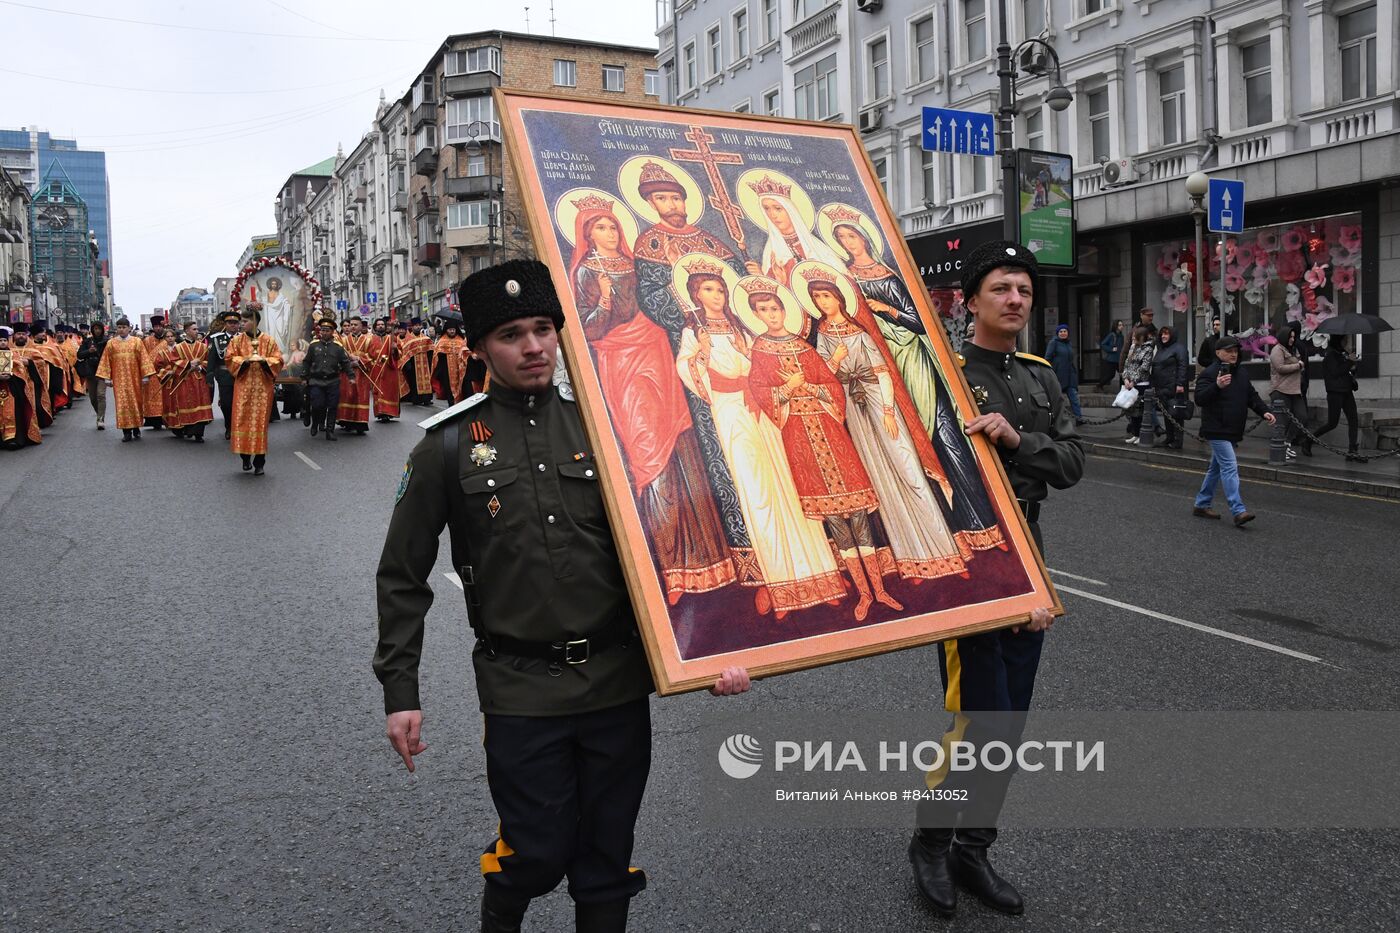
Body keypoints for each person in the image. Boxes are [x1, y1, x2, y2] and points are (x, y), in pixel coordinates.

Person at [373, 259, 750, 933]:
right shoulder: (448, 447)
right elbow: (403, 575)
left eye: (544, 328)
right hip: (521, 689)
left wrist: (709, 649)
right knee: (538, 851)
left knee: (606, 859)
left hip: (616, 683)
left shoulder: (603, 427)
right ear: (481, 347)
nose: (534, 345)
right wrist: (400, 690)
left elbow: (670, 546)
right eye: (513, 333)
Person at [908, 241, 1081, 919]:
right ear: (971, 300)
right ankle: (931, 840)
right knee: (976, 717)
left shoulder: (1040, 377)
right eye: (1002, 288)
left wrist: (1017, 441)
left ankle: (973, 847)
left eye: (1025, 291)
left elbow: (1069, 463)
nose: (1016, 300)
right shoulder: (941, 374)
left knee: (1010, 722)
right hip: (965, 559)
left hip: (1028, 557)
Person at [1192, 335, 1276, 525]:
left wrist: (1265, 412)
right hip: (1216, 428)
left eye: (1236, 351)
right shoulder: (1209, 373)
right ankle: (1238, 510)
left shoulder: (1242, 373)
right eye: (1229, 351)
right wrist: (1217, 386)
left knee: (1216, 468)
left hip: (1232, 428)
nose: (1233, 354)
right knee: (1230, 466)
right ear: (1218, 353)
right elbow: (1200, 398)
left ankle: (1202, 504)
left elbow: (1251, 396)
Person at [227, 304, 284, 474]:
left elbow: (278, 359)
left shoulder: (268, 340)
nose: (241, 324)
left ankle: (260, 462)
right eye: (241, 321)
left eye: (244, 321)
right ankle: (245, 457)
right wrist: (243, 361)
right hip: (243, 387)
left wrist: (264, 361)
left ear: (254, 321)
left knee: (260, 424)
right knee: (242, 421)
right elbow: (229, 358)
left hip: (263, 388)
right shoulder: (236, 340)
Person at [94, 317, 156, 442]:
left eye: (124, 327)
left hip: (135, 378)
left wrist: (145, 376)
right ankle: (126, 431)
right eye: (119, 328)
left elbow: (143, 359)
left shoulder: (136, 342)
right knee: (122, 405)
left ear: (129, 328)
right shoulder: (111, 343)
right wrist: (107, 378)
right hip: (119, 380)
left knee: (136, 403)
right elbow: (106, 361)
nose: (121, 330)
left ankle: (136, 427)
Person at [303, 317, 355, 440]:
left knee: (332, 406)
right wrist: (304, 377)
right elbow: (306, 362)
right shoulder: (313, 345)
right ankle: (315, 423)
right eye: (322, 330)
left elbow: (345, 362)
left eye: (327, 330)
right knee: (317, 405)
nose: (324, 333)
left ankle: (330, 431)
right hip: (316, 380)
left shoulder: (338, 347)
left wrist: (351, 376)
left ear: (332, 332)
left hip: (333, 380)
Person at [1315, 334, 1361, 462]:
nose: (1346, 342)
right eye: (1345, 340)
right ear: (1338, 341)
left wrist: (1353, 366)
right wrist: (1349, 362)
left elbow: (1347, 371)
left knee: (1353, 420)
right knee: (1332, 423)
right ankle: (1308, 440)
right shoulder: (1330, 355)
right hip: (1335, 393)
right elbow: (1336, 372)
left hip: (1346, 391)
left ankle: (1352, 450)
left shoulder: (1342, 353)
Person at [0, 326, 44, 448]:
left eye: (4, 340)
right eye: (0, 341)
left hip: (11, 389)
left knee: (13, 413)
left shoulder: (13, 354)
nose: (3, 343)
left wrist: (11, 375)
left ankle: (13, 438)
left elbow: (20, 371)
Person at [1269, 325, 1308, 459]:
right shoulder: (1277, 350)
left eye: (1293, 337)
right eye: (1290, 337)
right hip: (1281, 389)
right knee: (1282, 422)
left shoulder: (1293, 350)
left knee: (1302, 416)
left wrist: (1299, 367)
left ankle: (1287, 443)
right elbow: (1280, 368)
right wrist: (1299, 365)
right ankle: (1279, 448)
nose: (1292, 339)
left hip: (1294, 390)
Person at [1150, 325, 1189, 449]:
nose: (1163, 336)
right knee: (1167, 413)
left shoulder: (1179, 348)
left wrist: (1180, 384)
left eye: (1166, 334)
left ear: (1172, 334)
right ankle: (1169, 437)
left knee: (1176, 413)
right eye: (1162, 334)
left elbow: (1183, 366)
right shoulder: (1161, 349)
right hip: (1161, 387)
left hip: (1174, 387)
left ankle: (1178, 440)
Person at [336, 316, 373, 434]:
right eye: (351, 324)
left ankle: (360, 423)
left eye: (355, 325)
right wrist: (350, 361)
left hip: (362, 373)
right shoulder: (344, 341)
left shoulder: (368, 340)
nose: (352, 327)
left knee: (361, 397)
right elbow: (340, 356)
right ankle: (347, 421)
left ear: (361, 326)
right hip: (348, 372)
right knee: (348, 395)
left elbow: (372, 356)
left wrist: (360, 360)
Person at [208, 311, 241, 439]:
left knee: (241, 404)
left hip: (242, 375)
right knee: (227, 404)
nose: (233, 325)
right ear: (225, 324)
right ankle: (229, 426)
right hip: (225, 375)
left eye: (235, 323)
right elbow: (212, 358)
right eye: (230, 323)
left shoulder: (245, 338)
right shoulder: (217, 339)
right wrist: (210, 375)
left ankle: (239, 427)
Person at [1120, 324, 1156, 444]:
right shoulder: (1132, 347)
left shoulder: (1148, 349)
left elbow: (1144, 367)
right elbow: (1127, 364)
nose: (1133, 338)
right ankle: (1135, 434)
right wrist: (1125, 378)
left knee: (1140, 411)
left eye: (1136, 336)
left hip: (1141, 383)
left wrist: (1134, 381)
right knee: (1132, 411)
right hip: (1130, 383)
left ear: (1142, 337)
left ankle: (1141, 434)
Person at [1043, 324, 1083, 424]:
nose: (1063, 333)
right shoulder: (1053, 343)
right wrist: (1050, 371)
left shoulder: (1068, 343)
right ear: (1057, 333)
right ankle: (1055, 420)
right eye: (1061, 332)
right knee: (1057, 399)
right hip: (1058, 376)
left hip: (1070, 376)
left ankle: (1079, 418)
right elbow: (1047, 358)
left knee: (1074, 397)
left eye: (1065, 331)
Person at [366, 317, 402, 422]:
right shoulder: (370, 339)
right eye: (378, 324)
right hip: (376, 368)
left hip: (390, 369)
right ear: (375, 327)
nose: (380, 326)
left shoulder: (392, 338)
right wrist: (372, 363)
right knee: (378, 391)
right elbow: (367, 354)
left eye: (382, 324)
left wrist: (395, 350)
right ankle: (380, 412)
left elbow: (400, 353)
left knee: (389, 391)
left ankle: (389, 412)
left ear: (385, 326)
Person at [76, 321, 110, 430]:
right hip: (90, 372)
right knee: (93, 398)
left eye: (99, 329)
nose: (97, 331)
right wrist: (89, 351)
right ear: (93, 330)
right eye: (95, 329)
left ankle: (100, 419)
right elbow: (79, 354)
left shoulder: (107, 342)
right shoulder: (87, 341)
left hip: (102, 372)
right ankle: (99, 413)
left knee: (101, 395)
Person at [398, 318, 434, 406]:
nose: (417, 327)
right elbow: (405, 353)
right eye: (415, 326)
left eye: (419, 325)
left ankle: (427, 398)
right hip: (413, 365)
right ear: (412, 327)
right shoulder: (408, 339)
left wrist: (430, 362)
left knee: (427, 380)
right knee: (414, 382)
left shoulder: (426, 338)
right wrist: (408, 364)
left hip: (425, 363)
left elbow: (431, 351)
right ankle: (417, 398)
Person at [431, 321, 467, 402]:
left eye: (453, 329)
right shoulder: (441, 341)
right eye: (450, 329)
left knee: (462, 388)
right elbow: (436, 357)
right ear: (446, 330)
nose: (452, 331)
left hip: (460, 370)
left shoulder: (461, 341)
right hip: (446, 371)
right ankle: (451, 405)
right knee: (448, 390)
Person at [1097, 320, 1124, 389]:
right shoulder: (1111, 335)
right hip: (1111, 359)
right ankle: (1100, 385)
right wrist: (1111, 349)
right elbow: (1103, 344)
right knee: (1110, 375)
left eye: (1122, 325)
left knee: (1123, 374)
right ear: (1116, 326)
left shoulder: (1121, 336)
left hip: (1119, 360)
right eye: (1119, 325)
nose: (1121, 326)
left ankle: (1122, 389)